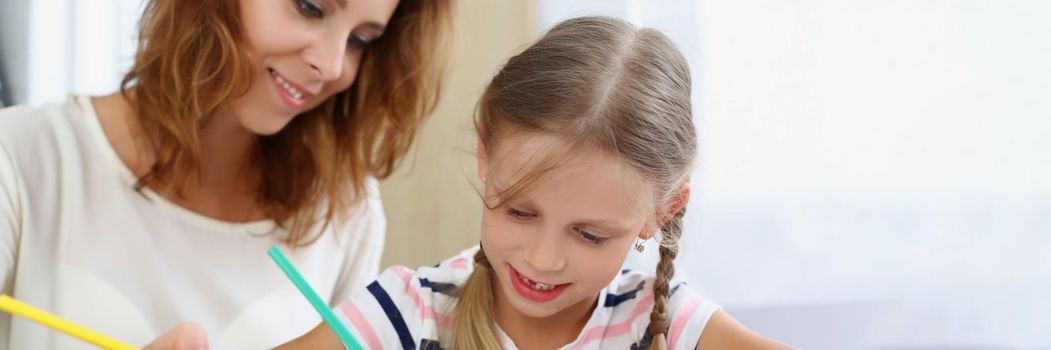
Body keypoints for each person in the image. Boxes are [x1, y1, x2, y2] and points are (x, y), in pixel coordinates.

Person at [272, 16, 793, 349]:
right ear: (484, 154)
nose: (543, 259)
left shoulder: (668, 326)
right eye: (519, 212)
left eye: (590, 235)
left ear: (662, 211)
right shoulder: (407, 315)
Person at [0, 0, 452, 348]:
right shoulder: (20, 158)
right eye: (310, 6)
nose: (333, 65)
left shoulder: (345, 213)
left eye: (360, 40)